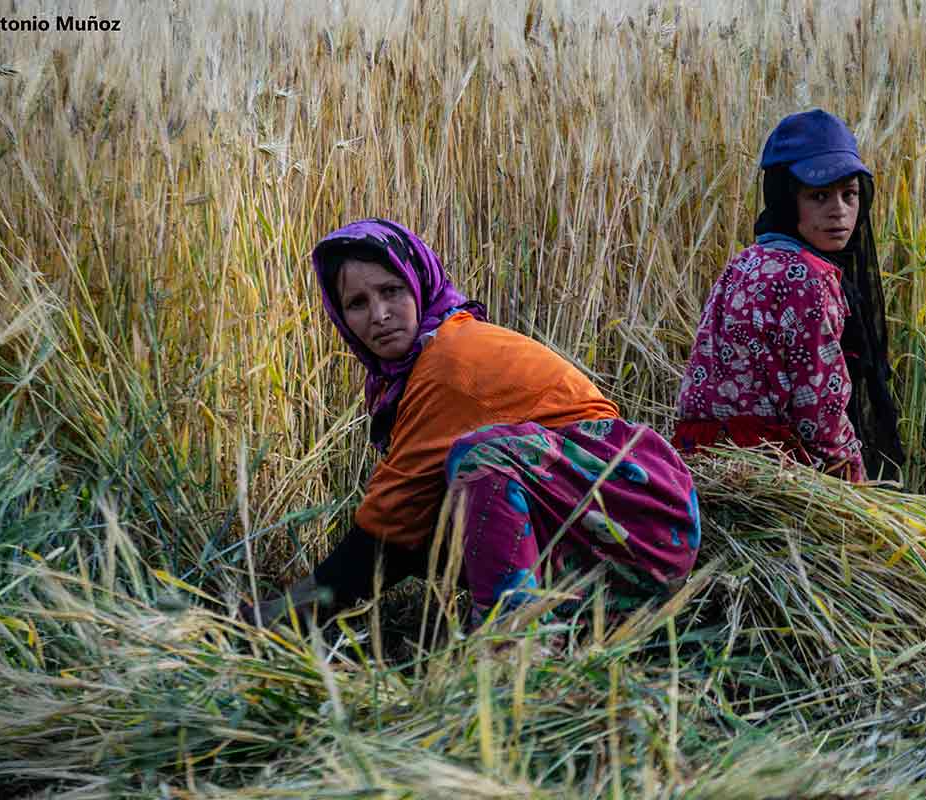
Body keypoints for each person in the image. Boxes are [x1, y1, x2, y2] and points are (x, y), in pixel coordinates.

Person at [245, 218, 701, 630]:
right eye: (357, 304)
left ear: (419, 284)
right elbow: (403, 526)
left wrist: (289, 611)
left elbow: (383, 527)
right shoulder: (415, 369)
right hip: (606, 521)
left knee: (481, 459)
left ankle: (513, 649)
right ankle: (573, 620)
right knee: (433, 509)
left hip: (640, 520)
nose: (379, 315)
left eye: (391, 291)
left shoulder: (448, 362)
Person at [673, 109, 905, 482]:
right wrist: (862, 493)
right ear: (784, 198)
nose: (839, 212)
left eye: (850, 195)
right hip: (769, 466)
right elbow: (819, 413)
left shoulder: (745, 261)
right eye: (819, 196)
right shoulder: (808, 280)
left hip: (701, 460)